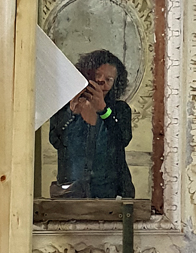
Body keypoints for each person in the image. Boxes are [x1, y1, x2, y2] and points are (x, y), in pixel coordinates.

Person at [49, 49, 135, 200]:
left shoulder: (120, 109)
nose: (102, 82)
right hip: (71, 192)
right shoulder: (65, 107)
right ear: (86, 75)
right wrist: (71, 114)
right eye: (97, 75)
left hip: (111, 191)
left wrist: (104, 111)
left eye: (109, 79)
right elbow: (56, 140)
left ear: (116, 83)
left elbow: (123, 139)